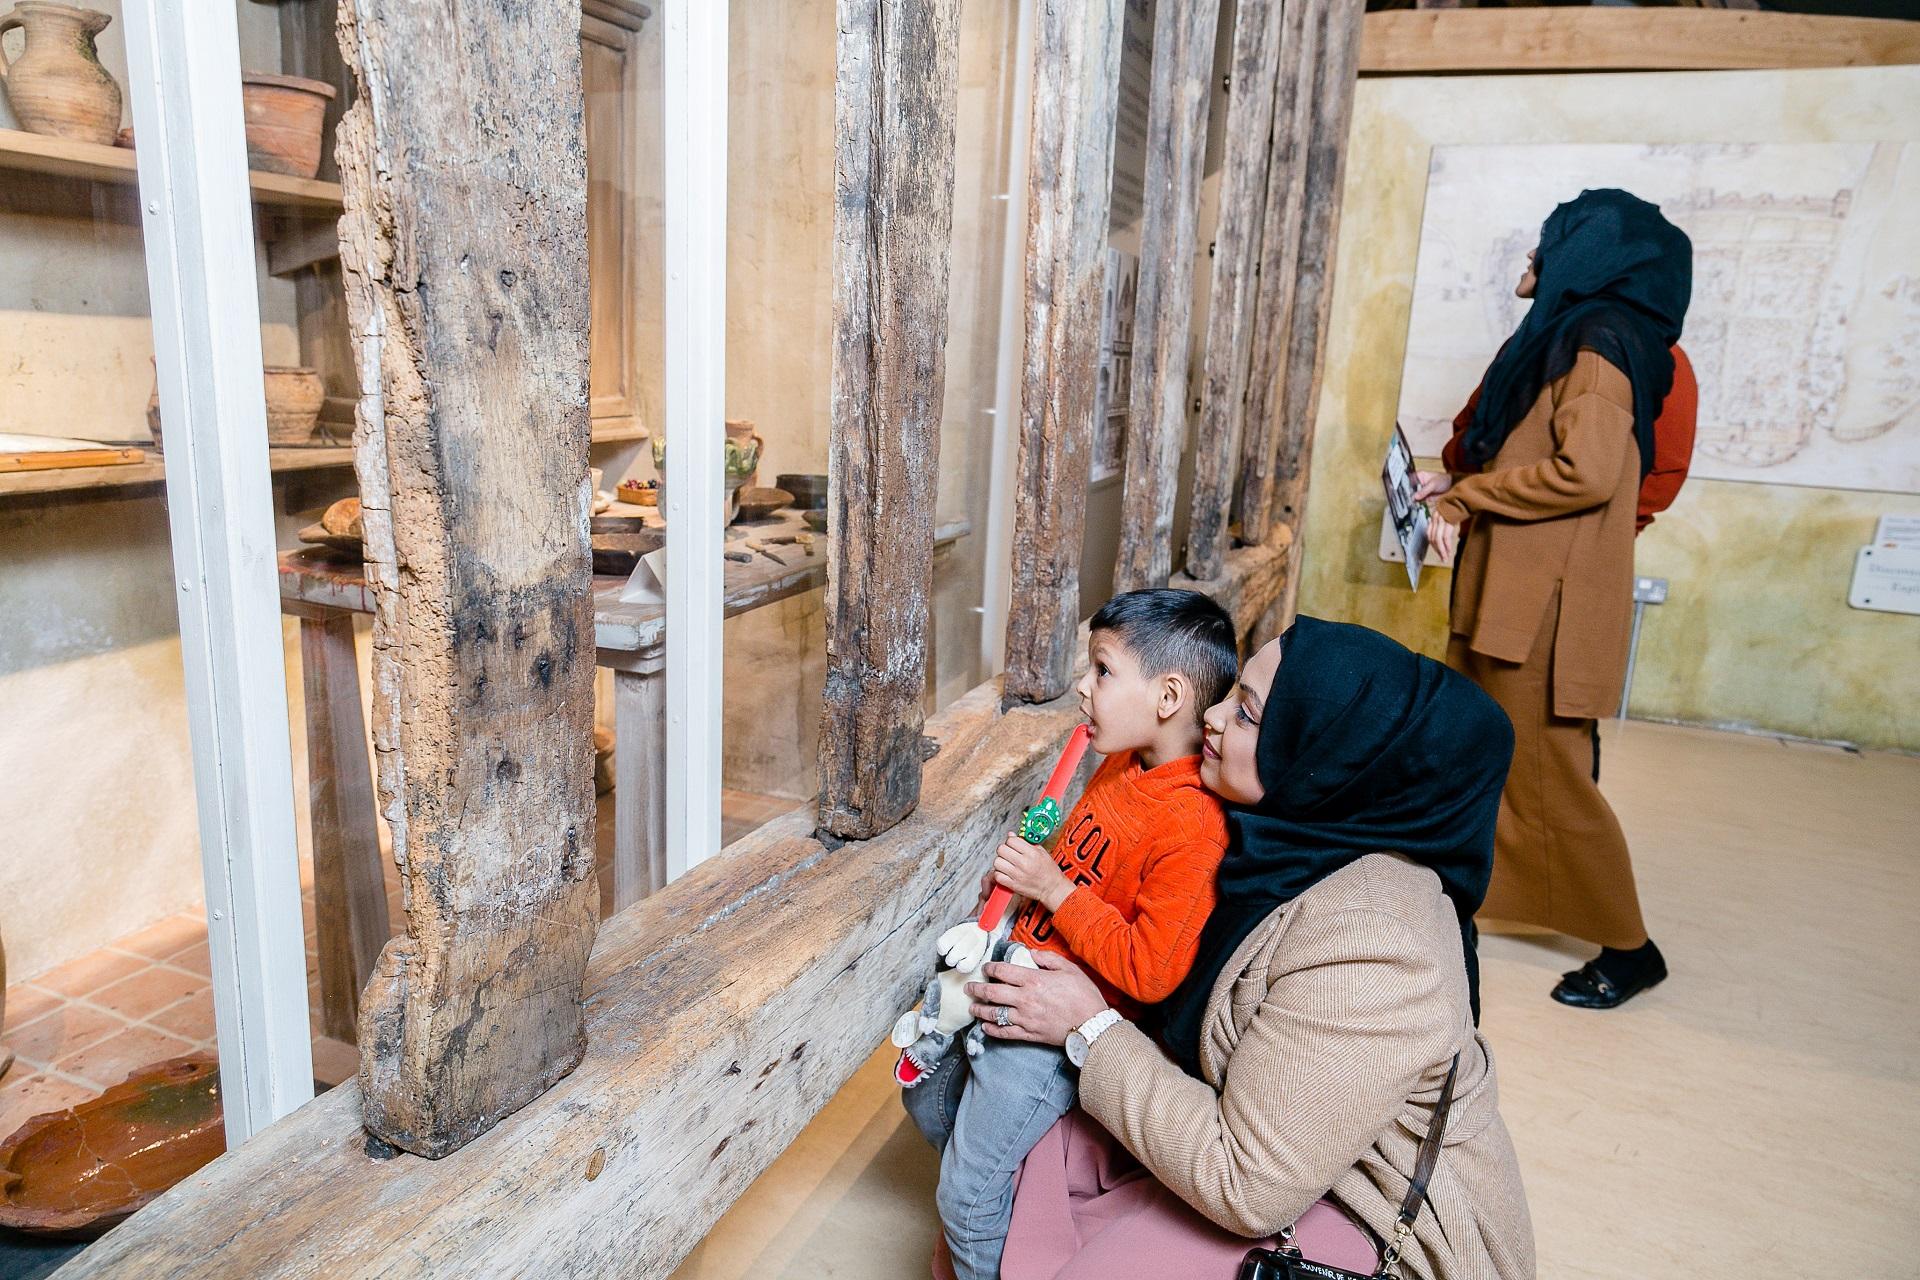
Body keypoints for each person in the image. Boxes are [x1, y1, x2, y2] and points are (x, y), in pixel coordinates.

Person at [964, 618, 1535, 1280]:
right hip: (1248, 1133)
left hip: (1357, 1209)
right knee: (1013, 1167)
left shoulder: (1375, 947)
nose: (1210, 715)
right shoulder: (1276, 839)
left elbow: (1249, 1186)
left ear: (1323, 754)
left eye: (1248, 713)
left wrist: (1090, 1027)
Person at [903, 588, 1240, 1280]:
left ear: (1169, 696)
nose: (1083, 688)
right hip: (1007, 970)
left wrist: (1054, 890)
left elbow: (1150, 971)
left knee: (965, 1198)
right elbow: (1081, 860)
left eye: (1103, 670)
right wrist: (1012, 898)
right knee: (926, 1090)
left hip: (1046, 1033)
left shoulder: (1191, 824)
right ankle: (1012, 1212)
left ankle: (985, 1242)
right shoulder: (1122, 761)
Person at [1415, 188, 1692, 1010]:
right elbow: (1540, 452)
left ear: (1589, 256)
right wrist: (1461, 480)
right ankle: (1476, 892)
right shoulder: (1573, 339)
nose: (1530, 264)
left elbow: (1588, 472)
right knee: (1492, 755)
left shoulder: (1598, 344)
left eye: (1548, 245)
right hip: (1520, 590)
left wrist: (1466, 499)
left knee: (1548, 775)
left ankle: (1631, 947)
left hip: (1544, 610)